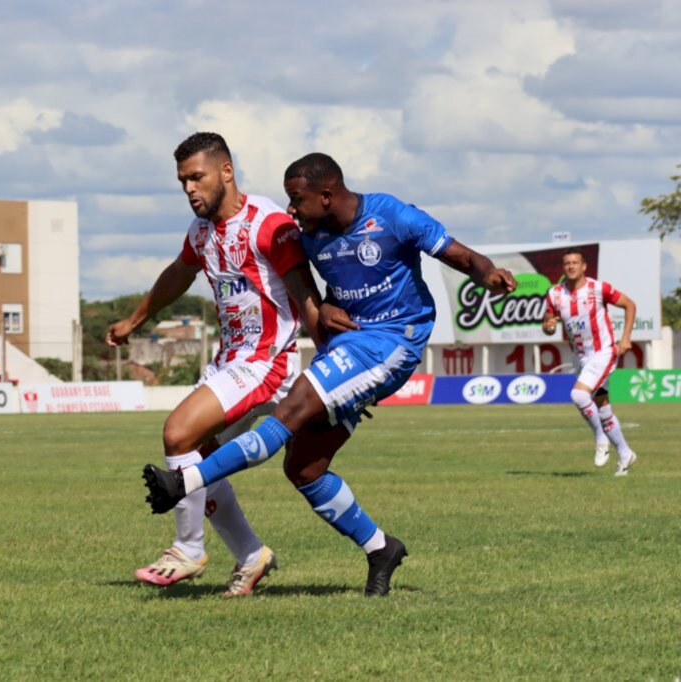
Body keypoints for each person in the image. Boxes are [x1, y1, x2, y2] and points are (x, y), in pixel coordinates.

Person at [142, 152, 518, 596]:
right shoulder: (311, 235)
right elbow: (307, 291)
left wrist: (489, 274)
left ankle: (183, 481)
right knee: (305, 468)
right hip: (347, 349)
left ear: (327, 194)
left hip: (394, 341)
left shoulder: (393, 216)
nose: (291, 210)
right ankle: (381, 548)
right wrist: (327, 314)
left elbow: (462, 255)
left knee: (291, 409)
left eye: (297, 199)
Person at [108, 132, 324, 597]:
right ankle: (252, 557)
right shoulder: (201, 232)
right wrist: (135, 319)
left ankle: (188, 549)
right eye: (183, 180)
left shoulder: (268, 224)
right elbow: (178, 275)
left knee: (177, 434)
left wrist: (334, 366)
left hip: (266, 362)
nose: (189, 189)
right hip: (230, 362)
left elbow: (307, 297)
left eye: (197, 177)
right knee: (201, 463)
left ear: (226, 171)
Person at [541, 248, 638, 475]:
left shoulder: (598, 288)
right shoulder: (555, 294)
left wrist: (625, 338)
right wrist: (548, 326)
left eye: (575, 262)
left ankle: (600, 438)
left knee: (578, 395)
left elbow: (629, 305)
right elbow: (548, 323)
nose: (571, 266)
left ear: (584, 266)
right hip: (581, 357)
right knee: (603, 408)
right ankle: (625, 454)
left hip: (603, 351)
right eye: (567, 263)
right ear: (563, 268)